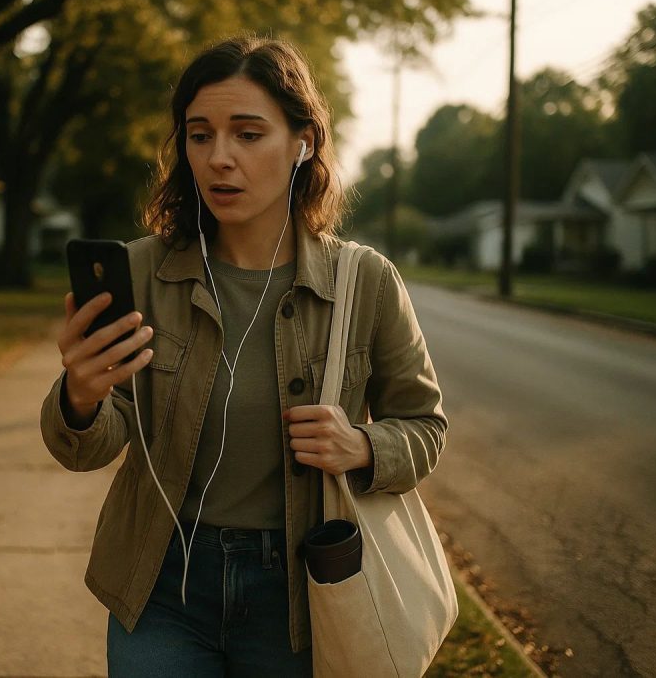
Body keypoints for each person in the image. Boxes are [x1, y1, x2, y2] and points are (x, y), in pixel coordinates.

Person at [39, 33, 448, 677]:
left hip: (299, 592)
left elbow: (426, 428)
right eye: (199, 135)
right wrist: (81, 399)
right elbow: (85, 448)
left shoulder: (363, 282)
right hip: (161, 580)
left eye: (248, 134)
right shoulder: (145, 272)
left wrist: (364, 447)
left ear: (303, 141)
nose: (219, 158)